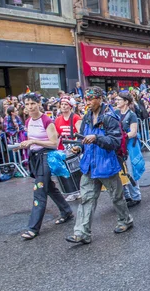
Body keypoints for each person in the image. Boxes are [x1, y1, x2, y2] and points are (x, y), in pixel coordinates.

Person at [66, 87, 134, 245]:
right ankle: (82, 232)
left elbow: (115, 142)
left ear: (100, 99)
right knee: (86, 199)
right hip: (89, 165)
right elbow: (83, 139)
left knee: (116, 197)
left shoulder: (110, 117)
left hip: (107, 165)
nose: (87, 102)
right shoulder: (87, 116)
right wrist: (79, 147)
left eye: (91, 99)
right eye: (86, 99)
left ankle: (125, 220)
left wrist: (96, 138)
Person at [19, 93, 73, 240]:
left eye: (32, 103)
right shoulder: (29, 120)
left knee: (39, 191)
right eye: (27, 104)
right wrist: (27, 144)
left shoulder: (47, 120)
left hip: (45, 156)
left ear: (39, 104)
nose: (30, 107)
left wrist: (34, 141)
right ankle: (66, 210)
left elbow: (54, 143)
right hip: (34, 157)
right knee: (49, 187)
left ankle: (33, 228)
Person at [115, 92, 145, 208]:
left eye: (119, 100)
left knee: (130, 170)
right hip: (118, 147)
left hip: (129, 147)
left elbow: (133, 132)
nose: (116, 101)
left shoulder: (131, 115)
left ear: (126, 101)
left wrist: (122, 136)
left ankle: (136, 196)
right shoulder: (115, 113)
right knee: (120, 171)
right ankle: (126, 196)